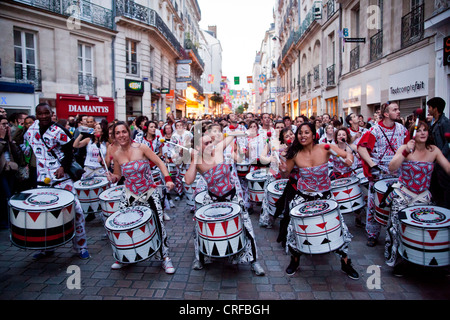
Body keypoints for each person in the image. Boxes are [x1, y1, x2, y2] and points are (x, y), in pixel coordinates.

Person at [184, 122, 265, 276]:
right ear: (198, 147)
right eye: (206, 143)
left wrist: (245, 132)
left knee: (247, 227)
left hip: (232, 196)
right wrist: (194, 159)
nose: (210, 144)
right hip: (212, 199)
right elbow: (188, 180)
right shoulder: (198, 161)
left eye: (210, 141)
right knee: (200, 228)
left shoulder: (219, 149)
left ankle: (254, 261)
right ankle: (200, 259)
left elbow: (233, 135)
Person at [279, 122, 359, 279]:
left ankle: (345, 263)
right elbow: (285, 175)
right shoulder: (294, 154)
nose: (303, 135)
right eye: (300, 133)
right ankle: (295, 260)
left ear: (313, 134)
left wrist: (349, 159)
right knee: (295, 228)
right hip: (304, 196)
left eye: (306, 132)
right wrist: (282, 170)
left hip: (325, 196)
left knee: (338, 227)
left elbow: (347, 155)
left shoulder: (325, 148)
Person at [107, 121, 176, 273]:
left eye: (123, 132)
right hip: (130, 194)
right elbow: (118, 175)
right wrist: (113, 178)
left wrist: (168, 179)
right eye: (117, 133)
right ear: (114, 135)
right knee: (123, 226)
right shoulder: (116, 154)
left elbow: (159, 163)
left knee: (158, 224)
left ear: (129, 132)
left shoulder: (141, 147)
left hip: (149, 192)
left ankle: (165, 257)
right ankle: (124, 257)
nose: (121, 135)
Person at [24, 103, 90, 260]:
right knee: (43, 215)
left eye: (47, 113)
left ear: (51, 113)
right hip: (42, 180)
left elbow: (70, 150)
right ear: (36, 114)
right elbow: (25, 146)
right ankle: (46, 248)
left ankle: (81, 247)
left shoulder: (58, 130)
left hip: (62, 178)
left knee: (77, 211)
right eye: (40, 114)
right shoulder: (31, 130)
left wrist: (63, 167)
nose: (44, 116)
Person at [384, 121, 450, 275]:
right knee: (397, 229)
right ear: (413, 133)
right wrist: (406, 151)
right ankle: (399, 262)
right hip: (403, 194)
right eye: (418, 130)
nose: (422, 133)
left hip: (423, 196)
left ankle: (423, 261)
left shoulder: (434, 151)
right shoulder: (404, 148)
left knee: (424, 231)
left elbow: (447, 167)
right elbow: (392, 167)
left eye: (425, 130)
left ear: (428, 134)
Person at [357, 102, 409, 247]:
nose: (398, 111)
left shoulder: (402, 129)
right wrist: (372, 165)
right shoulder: (374, 130)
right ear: (386, 114)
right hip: (379, 175)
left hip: (397, 176)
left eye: (398, 109)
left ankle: (395, 233)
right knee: (374, 205)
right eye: (395, 109)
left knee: (396, 206)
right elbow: (361, 148)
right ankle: (372, 234)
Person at [427, 97, 450, 209]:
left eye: (429, 107)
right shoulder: (435, 122)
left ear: (435, 108)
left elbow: (448, 142)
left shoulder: (445, 122)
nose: (428, 110)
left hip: (442, 162)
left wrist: (440, 156)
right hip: (436, 163)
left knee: (444, 188)